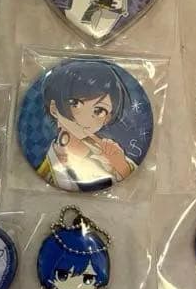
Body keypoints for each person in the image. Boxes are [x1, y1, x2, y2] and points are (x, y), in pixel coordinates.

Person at [38, 59, 136, 191]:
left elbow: (133, 183)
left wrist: (121, 166)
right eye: (75, 103)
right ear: (54, 108)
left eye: (99, 110)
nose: (86, 119)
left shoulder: (110, 156)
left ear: (107, 118)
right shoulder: (47, 170)